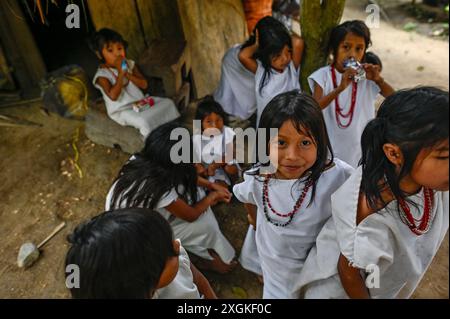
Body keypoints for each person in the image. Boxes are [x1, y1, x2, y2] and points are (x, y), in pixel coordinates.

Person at [296, 87, 449, 299]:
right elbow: (349, 273)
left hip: (380, 282)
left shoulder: (430, 182)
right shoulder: (371, 211)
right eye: (444, 157)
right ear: (394, 153)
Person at [233, 91, 354, 298]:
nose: (292, 156)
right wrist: (254, 220)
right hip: (274, 271)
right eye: (280, 143)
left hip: (316, 272)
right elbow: (247, 198)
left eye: (305, 143)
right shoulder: (258, 179)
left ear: (320, 141)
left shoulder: (338, 177)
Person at [105, 122, 237, 274]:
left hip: (125, 217)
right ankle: (212, 261)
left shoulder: (141, 160)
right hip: (135, 235)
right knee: (206, 224)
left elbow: (182, 175)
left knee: (193, 195)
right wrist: (212, 196)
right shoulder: (159, 188)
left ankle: (197, 254)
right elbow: (191, 215)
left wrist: (210, 186)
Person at [65, 208, 217, 299]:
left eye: (168, 240)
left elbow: (198, 280)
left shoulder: (175, 254)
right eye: (167, 254)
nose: (177, 245)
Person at [308, 20, 395, 168]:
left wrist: (378, 80)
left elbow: (394, 98)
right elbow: (313, 108)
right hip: (330, 152)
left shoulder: (365, 77)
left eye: (359, 49)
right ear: (333, 50)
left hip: (360, 152)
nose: (352, 54)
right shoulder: (323, 76)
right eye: (346, 47)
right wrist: (340, 88)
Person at [90, 28, 180, 138]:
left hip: (140, 103)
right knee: (144, 122)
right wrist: (120, 73)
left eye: (119, 48)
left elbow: (144, 84)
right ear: (99, 55)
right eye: (110, 51)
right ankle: (154, 145)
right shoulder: (102, 75)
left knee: (168, 104)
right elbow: (113, 96)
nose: (117, 54)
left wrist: (127, 73)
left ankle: (174, 134)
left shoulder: (129, 64)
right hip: (122, 110)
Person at [238, 16, 304, 126]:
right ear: (265, 54)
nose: (285, 58)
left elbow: (298, 42)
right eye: (277, 55)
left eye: (288, 51)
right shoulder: (261, 71)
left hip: (291, 125)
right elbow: (242, 56)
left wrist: (281, 35)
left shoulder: (291, 68)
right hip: (268, 127)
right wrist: (257, 45)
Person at [193, 97, 240, 188]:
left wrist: (214, 166)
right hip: (206, 170)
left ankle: (232, 184)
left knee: (230, 168)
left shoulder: (227, 132)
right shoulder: (196, 138)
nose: (215, 125)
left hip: (221, 167)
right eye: (209, 122)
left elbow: (230, 155)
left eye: (218, 120)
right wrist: (198, 165)